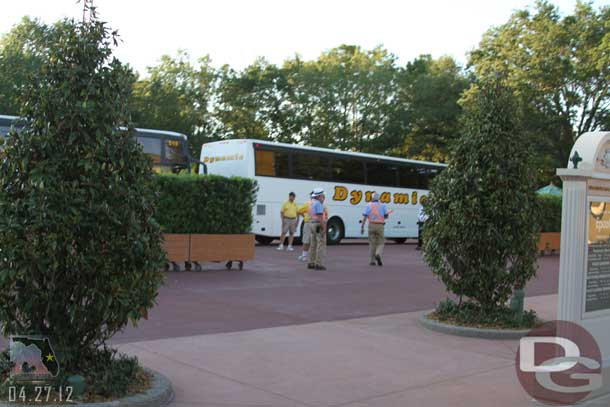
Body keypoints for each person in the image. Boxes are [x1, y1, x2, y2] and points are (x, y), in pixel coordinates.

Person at [297, 192, 328, 262]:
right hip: (318, 224)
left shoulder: (308, 203)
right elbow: (325, 216)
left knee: (307, 240)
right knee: (317, 242)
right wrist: (324, 226)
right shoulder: (322, 205)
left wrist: (305, 216)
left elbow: (299, 211)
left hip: (309, 223)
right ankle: (315, 260)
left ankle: (305, 256)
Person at [361, 192, 389, 266]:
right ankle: (378, 254)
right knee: (381, 242)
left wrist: (362, 227)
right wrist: (383, 216)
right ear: (378, 198)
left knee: (372, 243)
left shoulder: (368, 205)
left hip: (371, 225)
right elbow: (386, 216)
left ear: (372, 198)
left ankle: (372, 261)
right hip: (380, 226)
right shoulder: (383, 205)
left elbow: (365, 217)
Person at [308, 188, 327, 270]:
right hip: (317, 224)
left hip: (311, 223)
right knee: (321, 244)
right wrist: (324, 227)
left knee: (313, 244)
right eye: (323, 195)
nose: (323, 197)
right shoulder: (318, 204)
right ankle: (319, 264)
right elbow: (320, 217)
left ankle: (311, 262)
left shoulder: (312, 203)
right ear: (319, 196)